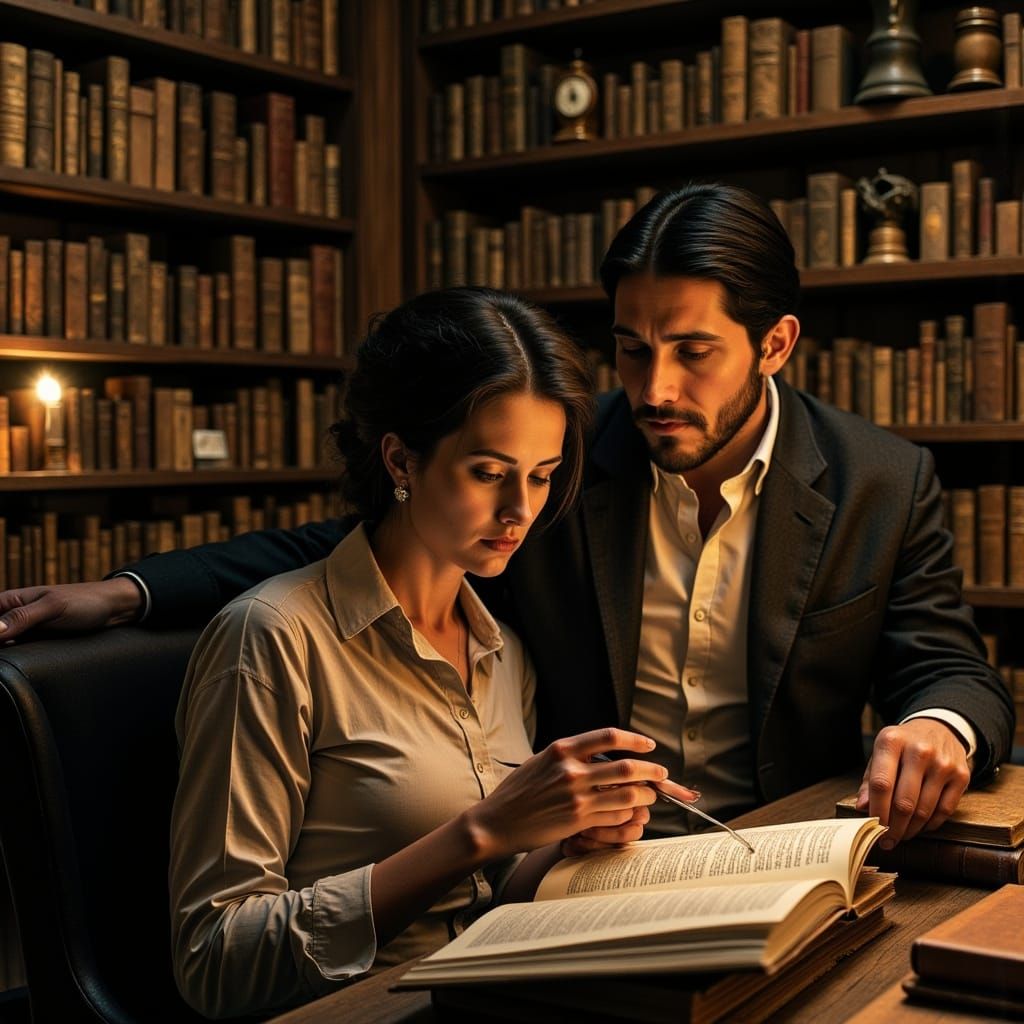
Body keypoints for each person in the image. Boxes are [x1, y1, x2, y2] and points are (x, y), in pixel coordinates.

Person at [1, 184, 1013, 855]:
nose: (651, 388)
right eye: (629, 348)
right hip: (583, 862)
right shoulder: (561, 459)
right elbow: (353, 546)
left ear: (775, 343)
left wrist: (937, 722)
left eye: (692, 352)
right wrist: (126, 590)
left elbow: (950, 666)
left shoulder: (882, 479)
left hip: (787, 844)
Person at [167, 287, 687, 1019]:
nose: (521, 511)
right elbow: (215, 960)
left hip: (491, 997)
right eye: (488, 472)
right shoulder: (272, 637)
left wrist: (570, 840)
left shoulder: (502, 650)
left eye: (541, 475)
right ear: (401, 461)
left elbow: (488, 888)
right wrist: (479, 832)